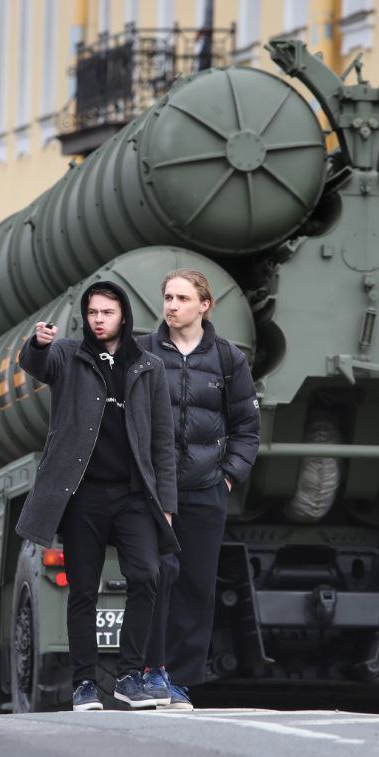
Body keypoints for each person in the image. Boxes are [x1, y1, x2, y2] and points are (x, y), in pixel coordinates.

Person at [16, 282, 179, 711]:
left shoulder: (149, 367)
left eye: (107, 311)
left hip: (133, 496)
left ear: (123, 315)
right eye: (92, 312)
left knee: (147, 575)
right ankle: (85, 684)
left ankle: (128, 677)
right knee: (83, 590)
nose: (99, 319)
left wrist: (166, 503)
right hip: (83, 495)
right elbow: (36, 365)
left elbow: (162, 441)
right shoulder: (69, 357)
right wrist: (37, 343)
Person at [140, 269, 260, 710]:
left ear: (204, 305)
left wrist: (228, 476)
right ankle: (149, 671)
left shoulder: (228, 360)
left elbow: (248, 428)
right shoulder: (143, 353)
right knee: (155, 577)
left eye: (182, 298)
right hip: (154, 491)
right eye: (167, 297)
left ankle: (180, 680)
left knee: (195, 585)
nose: (171, 305)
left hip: (206, 490)